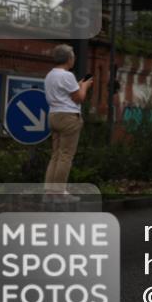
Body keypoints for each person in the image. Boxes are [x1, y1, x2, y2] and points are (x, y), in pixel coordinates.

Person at [44, 44, 93, 200]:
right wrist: (84, 86)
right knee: (66, 156)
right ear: (69, 59)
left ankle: (49, 192)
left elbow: (66, 93)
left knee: (56, 155)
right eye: (73, 56)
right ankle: (59, 192)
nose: (74, 59)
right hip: (68, 117)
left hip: (53, 115)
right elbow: (79, 98)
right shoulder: (67, 75)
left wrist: (78, 86)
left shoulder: (50, 75)